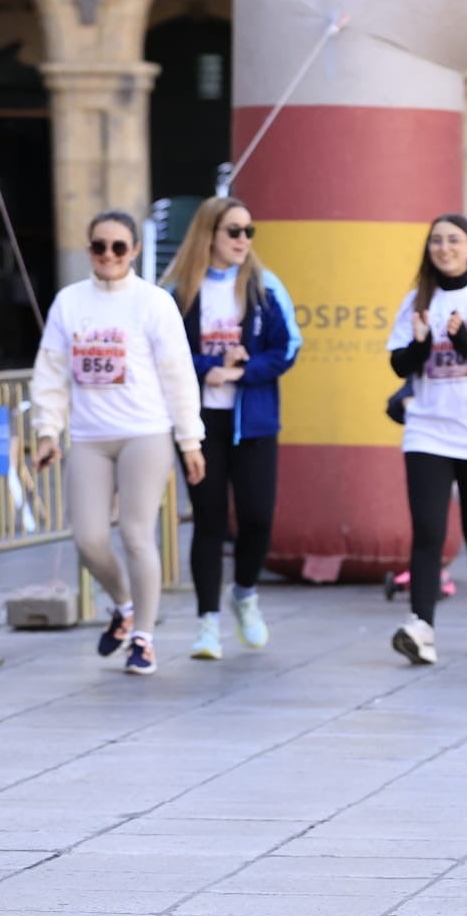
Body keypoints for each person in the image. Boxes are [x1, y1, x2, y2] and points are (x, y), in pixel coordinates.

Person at [31, 210, 206, 677]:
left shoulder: (154, 303)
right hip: (89, 437)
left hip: (145, 433)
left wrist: (190, 440)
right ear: (88, 249)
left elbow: (178, 374)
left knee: (135, 534)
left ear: (134, 251)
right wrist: (47, 431)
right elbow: (50, 372)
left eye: (118, 247)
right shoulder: (69, 302)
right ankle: (124, 605)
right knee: (88, 539)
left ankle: (144, 638)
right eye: (99, 246)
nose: (108, 255)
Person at [163, 195, 301, 661]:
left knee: (258, 516)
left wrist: (242, 371)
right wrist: (211, 368)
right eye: (234, 231)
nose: (243, 240)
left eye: (248, 231)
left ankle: (244, 593)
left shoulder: (265, 286)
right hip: (200, 423)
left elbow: (287, 347)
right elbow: (166, 354)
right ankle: (207, 623)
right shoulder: (178, 292)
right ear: (209, 234)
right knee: (209, 519)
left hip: (253, 421)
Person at [385, 214, 467, 665]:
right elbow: (400, 365)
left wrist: (464, 340)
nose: (444, 248)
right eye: (436, 241)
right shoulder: (417, 300)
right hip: (428, 430)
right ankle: (420, 627)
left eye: (453, 240)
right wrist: (422, 345)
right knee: (428, 530)